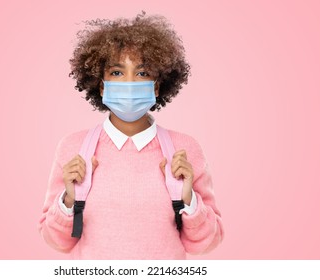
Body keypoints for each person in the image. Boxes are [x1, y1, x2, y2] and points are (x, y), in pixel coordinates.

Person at [38, 12, 223, 259]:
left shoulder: (184, 149)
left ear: (156, 86)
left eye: (142, 73)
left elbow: (206, 244)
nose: (129, 82)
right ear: (101, 85)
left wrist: (189, 199)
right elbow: (56, 241)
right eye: (116, 73)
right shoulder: (74, 148)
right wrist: (68, 200)